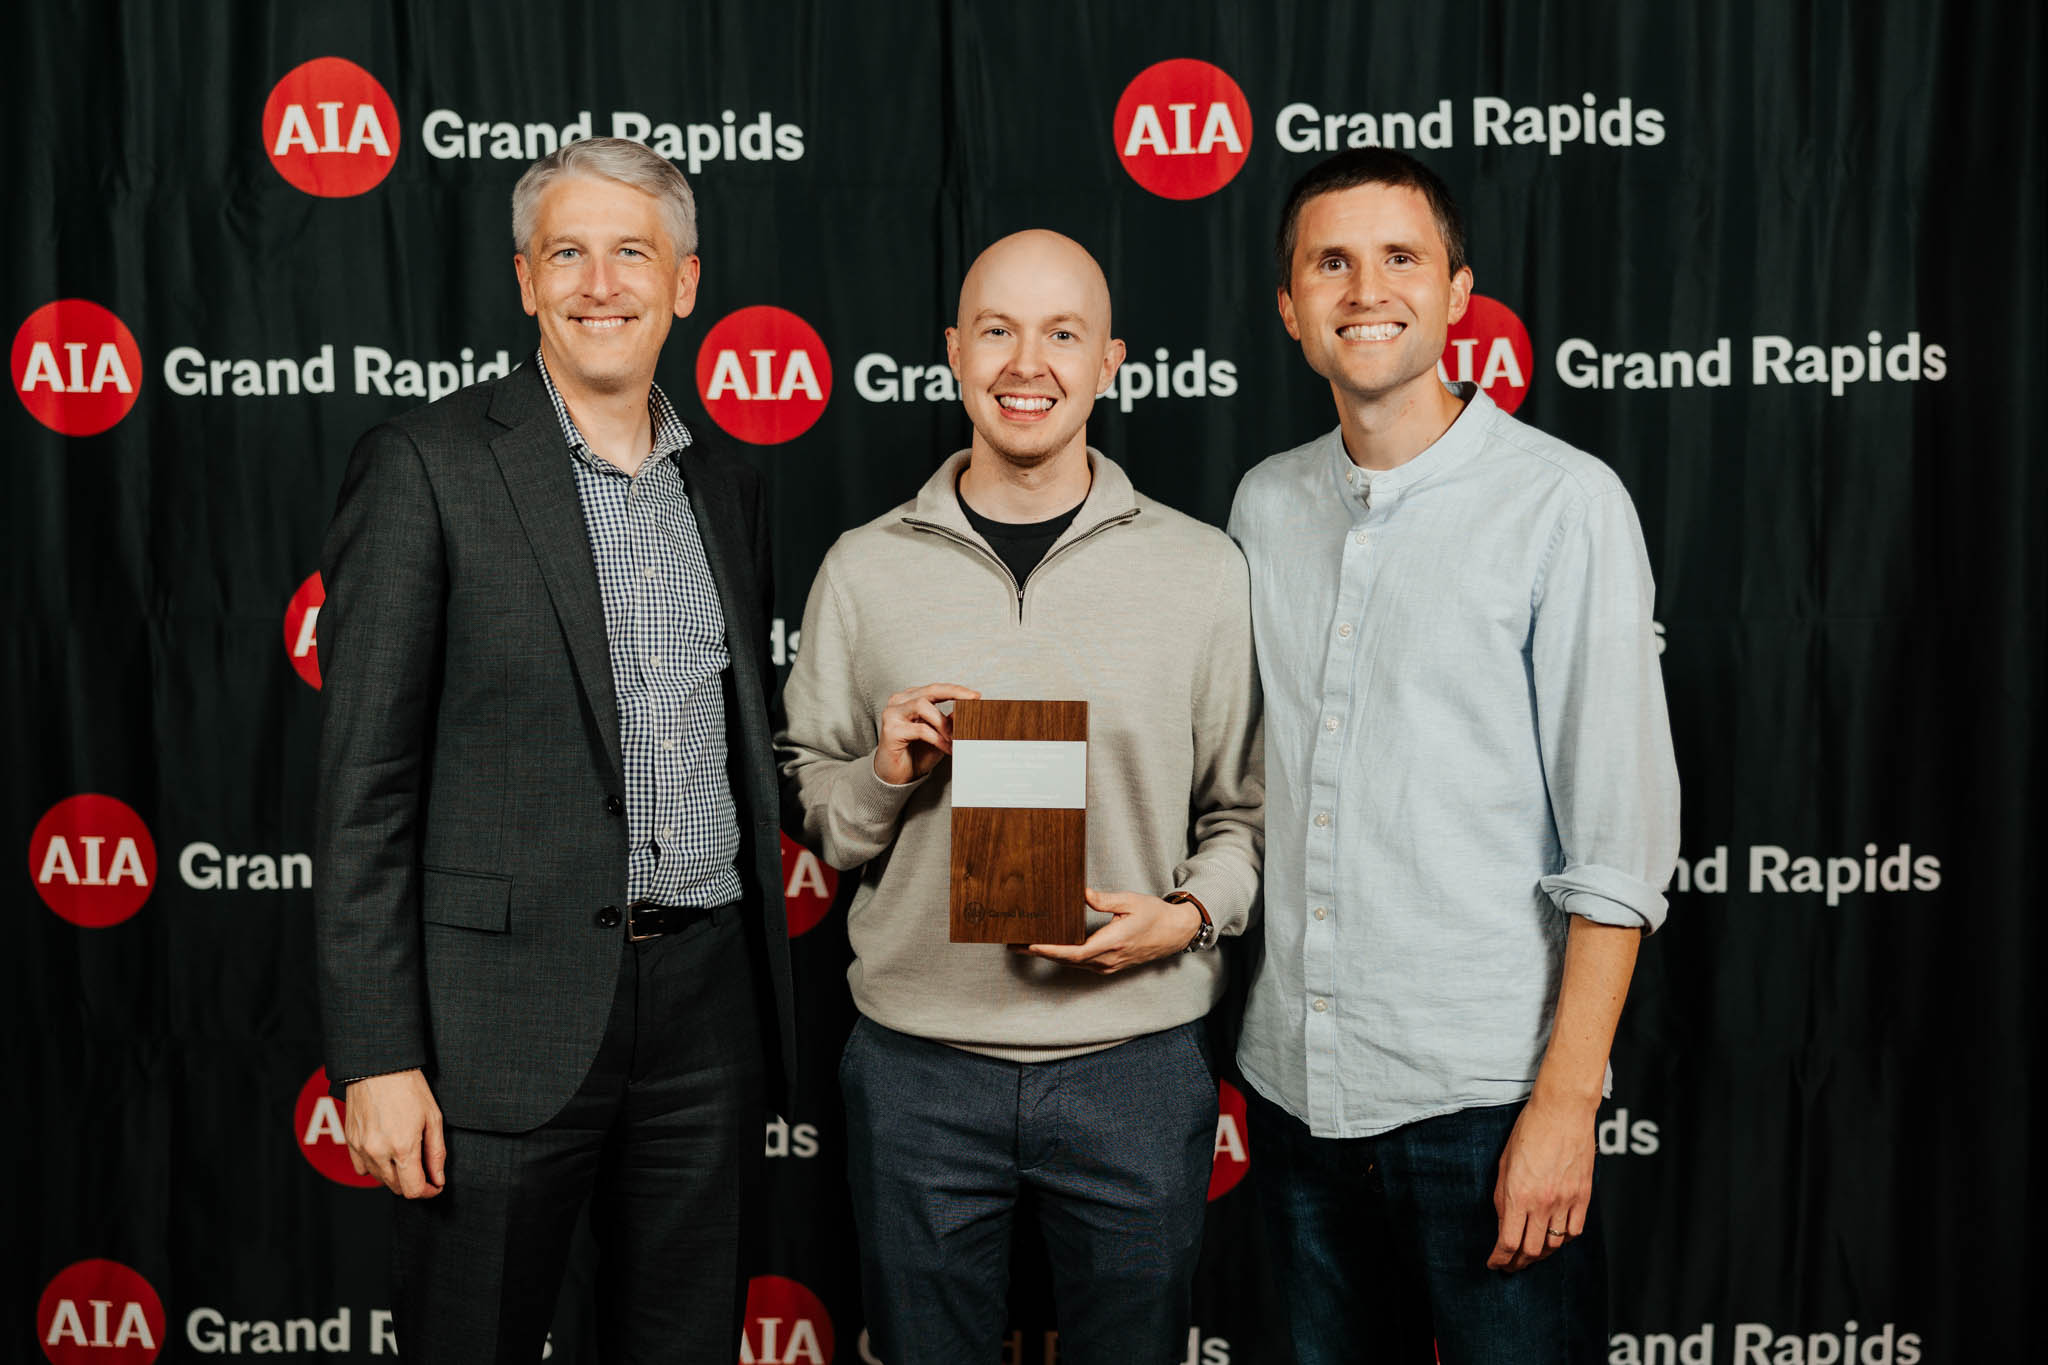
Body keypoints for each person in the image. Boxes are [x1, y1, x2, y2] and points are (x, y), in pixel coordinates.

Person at [313, 137, 793, 1364]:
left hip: (701, 1015)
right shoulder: (428, 466)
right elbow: (364, 787)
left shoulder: (726, 482)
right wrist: (377, 1056)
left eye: (631, 253)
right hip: (495, 1032)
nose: (599, 283)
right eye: (565, 254)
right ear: (524, 281)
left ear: (684, 282)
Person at [776, 230, 1262, 1365]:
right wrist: (884, 774)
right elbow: (814, 803)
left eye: (1061, 334)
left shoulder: (1202, 570)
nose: (1025, 363)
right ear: (952, 352)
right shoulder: (863, 565)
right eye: (996, 330)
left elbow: (1242, 813)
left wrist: (1186, 918)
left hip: (1136, 1061)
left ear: (1109, 363)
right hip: (916, 1068)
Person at [1228, 148, 1680, 1363]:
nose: (1362, 289)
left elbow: (1621, 844)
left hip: (1485, 1107)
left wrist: (1562, 1108)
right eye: (1329, 262)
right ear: (1288, 309)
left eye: (1398, 259)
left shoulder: (1562, 503)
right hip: (1291, 1095)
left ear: (1456, 292)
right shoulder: (1263, 505)